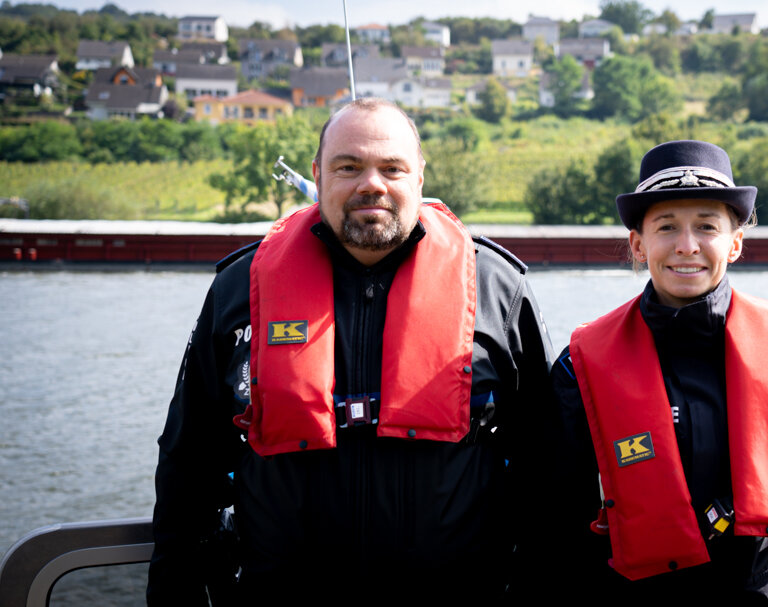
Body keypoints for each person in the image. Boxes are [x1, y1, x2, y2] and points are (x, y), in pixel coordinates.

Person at [148, 98, 554, 603]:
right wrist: (172, 590)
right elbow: (188, 459)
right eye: (349, 167)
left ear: (420, 176)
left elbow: (549, 467)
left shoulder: (498, 290)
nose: (372, 184)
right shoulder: (240, 289)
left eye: (392, 168)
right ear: (318, 175)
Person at [548, 141, 768, 603]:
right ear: (638, 245)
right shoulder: (580, 370)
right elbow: (559, 526)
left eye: (706, 226)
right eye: (666, 227)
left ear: (735, 242)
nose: (687, 246)